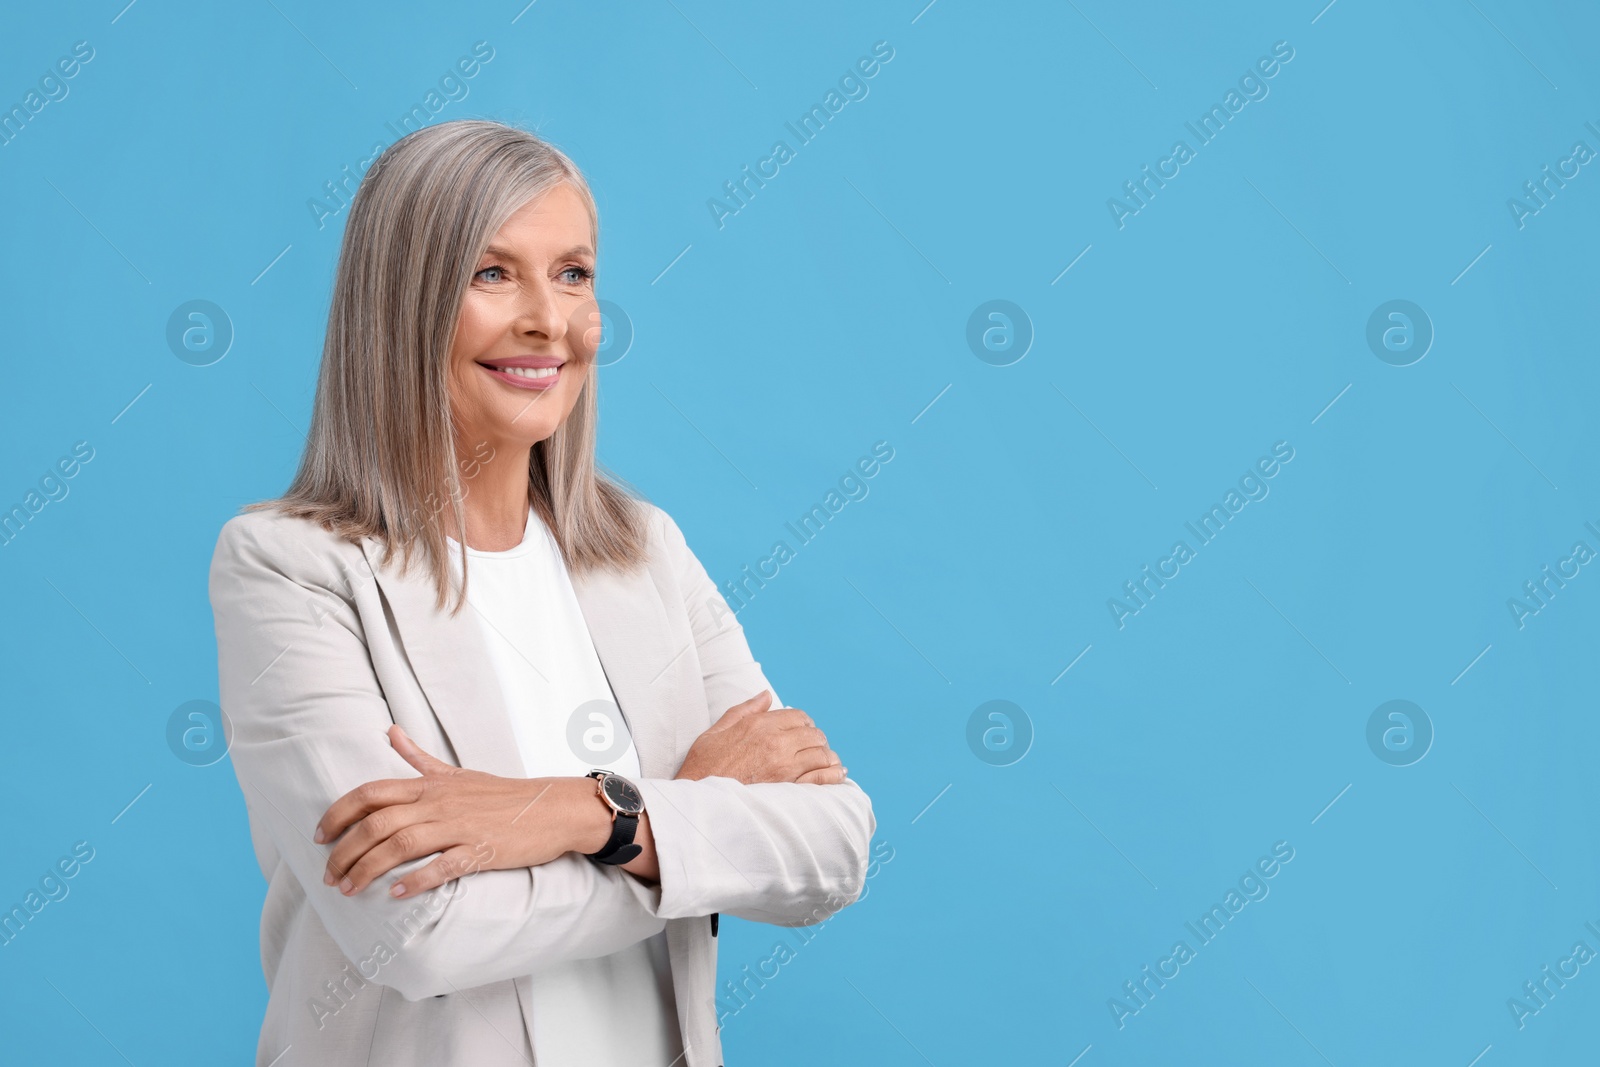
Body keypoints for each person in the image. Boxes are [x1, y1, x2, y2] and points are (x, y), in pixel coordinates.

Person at [207, 118, 875, 1066]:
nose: (547, 320)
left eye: (572, 273)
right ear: (401, 303)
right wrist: (669, 812)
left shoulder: (644, 550)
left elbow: (832, 844)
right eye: (492, 274)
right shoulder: (289, 568)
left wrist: (569, 813)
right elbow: (424, 929)